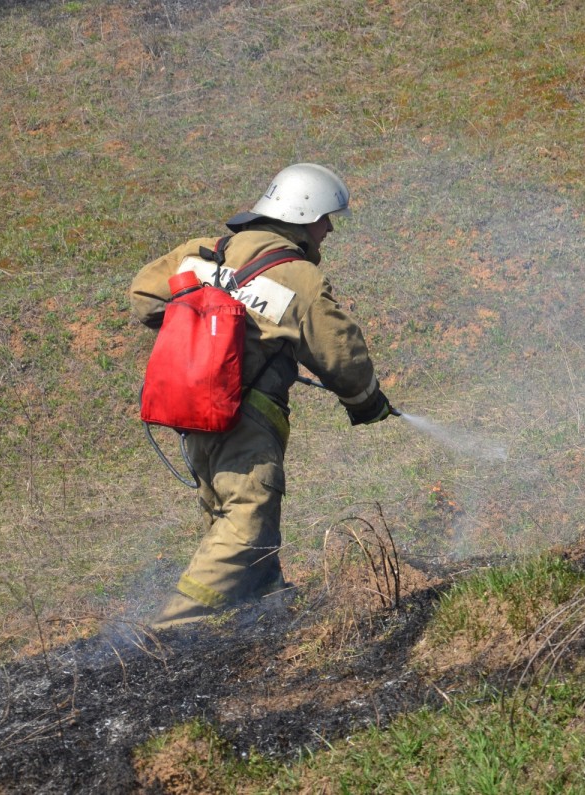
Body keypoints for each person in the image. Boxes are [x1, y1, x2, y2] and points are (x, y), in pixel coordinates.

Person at [130, 163, 392, 629]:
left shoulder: (204, 252)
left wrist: (210, 304)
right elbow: (341, 354)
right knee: (247, 517)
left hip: (193, 410)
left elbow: (145, 298)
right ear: (302, 215)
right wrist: (366, 401)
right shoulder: (297, 277)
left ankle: (265, 606)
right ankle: (170, 630)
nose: (329, 228)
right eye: (326, 218)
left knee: (226, 506)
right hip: (247, 415)